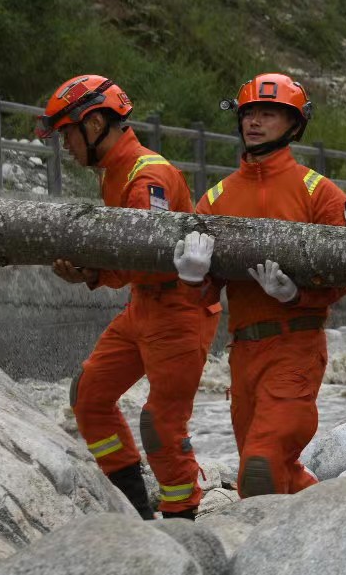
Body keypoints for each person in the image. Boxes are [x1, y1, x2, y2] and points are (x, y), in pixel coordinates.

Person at [36, 75, 217, 519]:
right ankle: (134, 504)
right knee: (89, 395)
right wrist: (90, 270)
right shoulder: (116, 172)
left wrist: (92, 273)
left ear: (94, 123)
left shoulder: (147, 175)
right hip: (144, 305)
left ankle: (182, 520)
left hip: (178, 309)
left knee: (161, 424)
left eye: (67, 134)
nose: (65, 146)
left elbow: (148, 256)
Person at [184, 72, 346, 496]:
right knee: (269, 470)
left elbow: (345, 275)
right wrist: (192, 278)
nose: (254, 122)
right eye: (249, 113)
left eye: (269, 114)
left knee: (259, 465)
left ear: (295, 125)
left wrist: (298, 295)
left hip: (296, 347)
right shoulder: (216, 198)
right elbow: (204, 295)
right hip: (243, 354)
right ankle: (322, 517)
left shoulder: (321, 193)